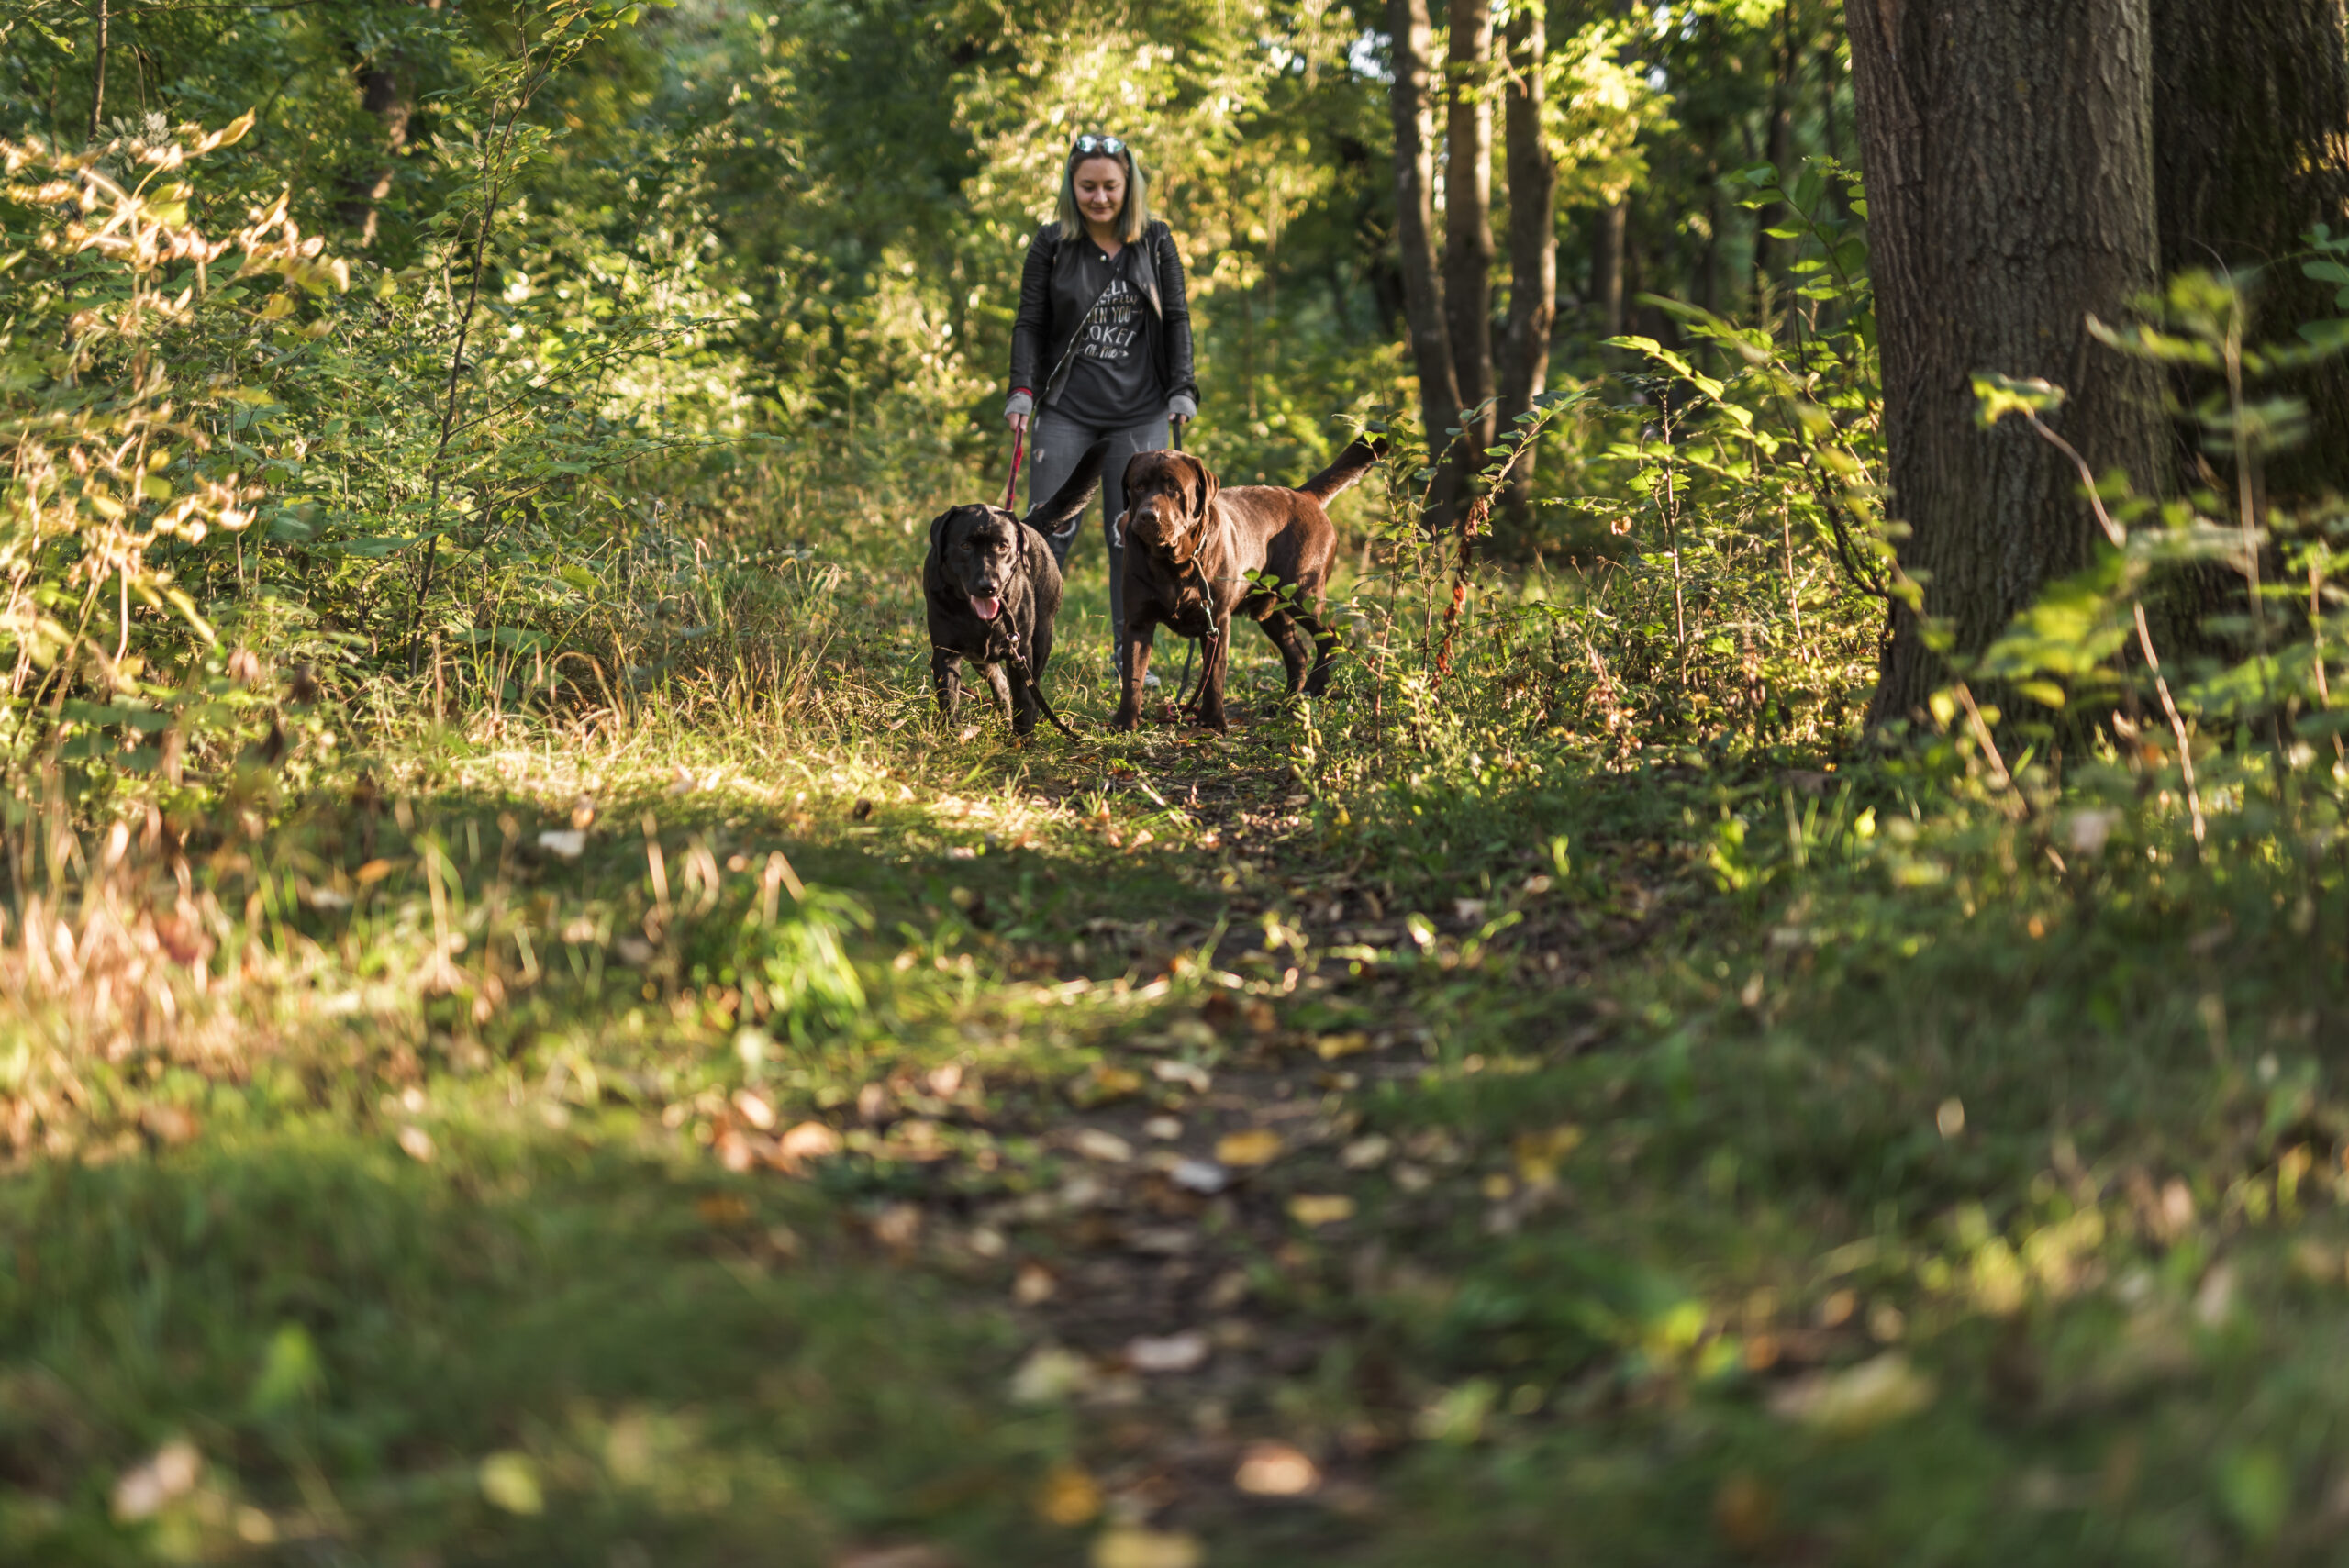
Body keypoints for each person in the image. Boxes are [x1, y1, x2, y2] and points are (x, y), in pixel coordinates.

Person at [1006, 133, 1196, 684]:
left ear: (1128, 186)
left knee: (1137, 537)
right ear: (1073, 188)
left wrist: (1183, 386)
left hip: (1140, 412)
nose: (1099, 198)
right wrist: (1022, 388)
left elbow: (1177, 318)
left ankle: (1128, 660)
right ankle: (1019, 649)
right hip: (1067, 409)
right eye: (1087, 186)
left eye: (1110, 186)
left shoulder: (1155, 241)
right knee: (1046, 534)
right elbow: (1030, 323)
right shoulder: (1052, 244)